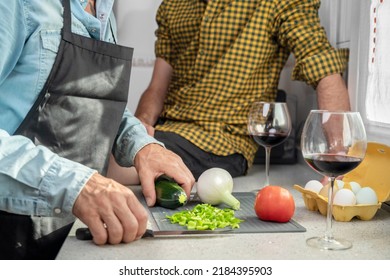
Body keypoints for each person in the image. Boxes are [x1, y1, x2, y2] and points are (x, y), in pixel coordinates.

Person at [0, 0, 194, 260]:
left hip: (71, 234)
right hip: (9, 232)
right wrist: (76, 186)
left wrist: (141, 146)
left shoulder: (103, 10)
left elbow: (93, 100)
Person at [108, 0, 351, 183]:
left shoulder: (277, 3)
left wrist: (337, 159)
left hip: (220, 142)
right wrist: (140, 131)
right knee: (103, 146)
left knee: (107, 162)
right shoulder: (175, 4)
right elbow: (156, 88)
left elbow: (324, 71)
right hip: (167, 131)